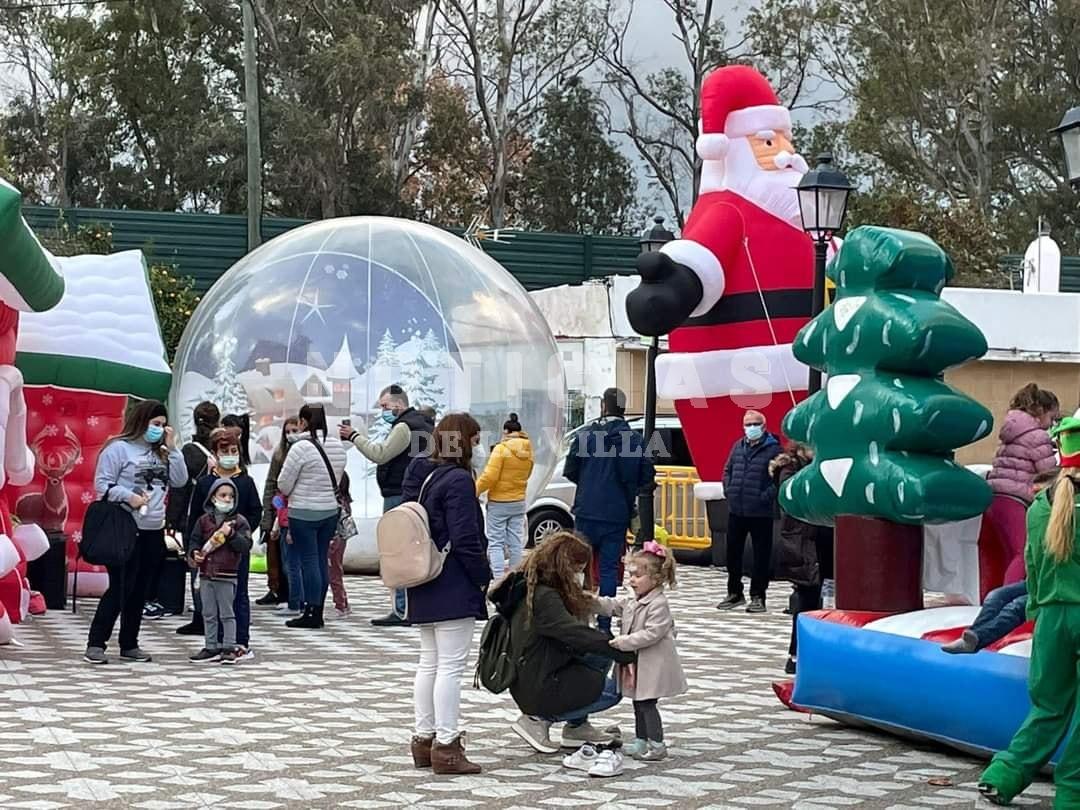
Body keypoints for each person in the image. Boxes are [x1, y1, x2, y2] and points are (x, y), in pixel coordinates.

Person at [978, 417, 1080, 808]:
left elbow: (1033, 565)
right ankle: (1071, 794)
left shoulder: (1041, 505)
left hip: (1053, 618)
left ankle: (1004, 774)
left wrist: (1038, 607)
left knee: (1048, 706)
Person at [489, 532, 636, 756]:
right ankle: (538, 719)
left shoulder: (535, 584)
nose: (579, 576)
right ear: (564, 566)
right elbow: (573, 633)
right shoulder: (545, 597)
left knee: (600, 654)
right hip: (538, 681)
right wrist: (619, 649)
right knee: (612, 692)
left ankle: (577, 727)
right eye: (578, 570)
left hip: (540, 669)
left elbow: (586, 605)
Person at [400, 413, 491, 776]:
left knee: (429, 663)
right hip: (452, 581)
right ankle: (448, 745)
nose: (477, 446)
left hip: (426, 578)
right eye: (475, 438)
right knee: (450, 667)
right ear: (463, 440)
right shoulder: (458, 481)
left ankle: (423, 740)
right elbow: (466, 538)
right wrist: (483, 578)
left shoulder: (429, 476)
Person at [84, 400, 188, 664]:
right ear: (142, 422)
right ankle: (96, 642)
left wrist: (173, 448)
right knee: (121, 586)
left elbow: (180, 480)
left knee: (141, 589)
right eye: (155, 424)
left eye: (163, 425)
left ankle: (129, 642)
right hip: (125, 528)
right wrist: (129, 497)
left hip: (153, 528)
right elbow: (103, 485)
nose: (159, 429)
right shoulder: (119, 449)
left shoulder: (163, 453)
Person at [340, 384, 434, 627]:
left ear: (399, 404)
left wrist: (353, 436)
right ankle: (416, 605)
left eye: (385, 406)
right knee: (416, 549)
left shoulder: (404, 427)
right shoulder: (425, 425)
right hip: (418, 494)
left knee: (398, 551)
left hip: (398, 495)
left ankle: (402, 608)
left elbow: (380, 454)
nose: (383, 411)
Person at [587, 542, 686, 765]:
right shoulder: (635, 599)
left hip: (653, 665)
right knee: (638, 702)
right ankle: (641, 740)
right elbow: (612, 605)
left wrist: (624, 642)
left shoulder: (658, 603)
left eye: (637, 576)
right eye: (631, 575)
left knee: (646, 704)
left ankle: (657, 743)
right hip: (638, 664)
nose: (632, 580)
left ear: (656, 578)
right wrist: (590, 602)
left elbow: (652, 633)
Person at [564, 387, 654, 631]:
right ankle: (604, 623)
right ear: (624, 409)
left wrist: (588, 484)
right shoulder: (631, 439)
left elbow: (570, 469)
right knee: (608, 570)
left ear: (603, 405)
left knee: (577, 566)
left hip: (585, 511)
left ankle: (578, 617)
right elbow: (647, 474)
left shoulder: (587, 436)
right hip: (615, 515)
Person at [943, 468, 1060, 655]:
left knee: (1016, 606)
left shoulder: (1062, 519)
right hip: (1041, 580)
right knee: (996, 596)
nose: (1035, 501)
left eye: (1039, 495)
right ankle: (973, 635)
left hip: (1058, 585)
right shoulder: (1041, 518)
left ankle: (979, 638)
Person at [186, 427, 261, 659]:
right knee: (208, 600)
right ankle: (213, 642)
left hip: (235, 552)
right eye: (224, 451)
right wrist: (192, 549)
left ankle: (238, 641)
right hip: (208, 555)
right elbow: (194, 519)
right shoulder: (205, 483)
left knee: (237, 596)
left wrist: (240, 533)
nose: (230, 454)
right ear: (215, 453)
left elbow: (255, 511)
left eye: (234, 450)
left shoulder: (246, 482)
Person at [279, 403, 347, 630]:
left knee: (308, 561)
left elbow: (283, 483)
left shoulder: (300, 447)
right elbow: (338, 477)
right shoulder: (337, 446)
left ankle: (312, 611)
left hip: (304, 512)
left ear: (304, 422)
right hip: (329, 511)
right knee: (320, 560)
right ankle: (318, 609)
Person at [985, 383, 1060, 585]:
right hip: (1015, 501)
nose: (1052, 424)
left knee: (1004, 554)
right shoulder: (1037, 436)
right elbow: (1049, 473)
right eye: (1052, 418)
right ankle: (1009, 602)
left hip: (994, 499)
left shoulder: (1011, 432)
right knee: (1024, 553)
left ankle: (990, 600)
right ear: (1041, 411)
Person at [770, 443, 833, 674]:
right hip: (804, 546)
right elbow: (791, 496)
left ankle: (818, 652)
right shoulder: (790, 468)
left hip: (826, 543)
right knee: (805, 601)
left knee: (826, 602)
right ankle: (796, 655)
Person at [717, 409, 782, 614]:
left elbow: (778, 480)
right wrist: (729, 489)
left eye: (755, 424)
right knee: (732, 553)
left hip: (760, 511)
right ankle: (734, 592)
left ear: (763, 426)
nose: (751, 428)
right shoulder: (738, 446)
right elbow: (727, 470)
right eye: (747, 424)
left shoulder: (774, 449)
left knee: (761, 555)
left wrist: (764, 497)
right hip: (737, 508)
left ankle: (758, 596)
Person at [163, 401, 220, 627]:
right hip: (219, 515)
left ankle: (200, 614)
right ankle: (216, 611)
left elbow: (181, 487)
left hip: (194, 516)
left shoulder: (189, 451)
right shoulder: (221, 447)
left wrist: (172, 519)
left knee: (196, 564)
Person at [186, 478, 253, 664]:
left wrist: (230, 534)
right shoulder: (203, 521)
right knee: (208, 612)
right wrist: (195, 553)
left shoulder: (239, 522)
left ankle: (229, 646)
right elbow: (194, 540)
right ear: (213, 497)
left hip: (227, 574)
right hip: (207, 573)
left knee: (227, 612)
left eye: (231, 496)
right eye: (222, 495)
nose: (227, 499)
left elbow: (245, 545)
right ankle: (211, 645)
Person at [476, 412, 534, 581]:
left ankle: (499, 579)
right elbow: (528, 472)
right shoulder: (529, 448)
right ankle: (514, 577)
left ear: (506, 431)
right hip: (518, 501)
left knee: (496, 543)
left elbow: (489, 476)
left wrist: (475, 490)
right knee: (516, 543)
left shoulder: (501, 449)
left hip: (499, 502)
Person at [257, 417, 299, 609]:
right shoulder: (279, 454)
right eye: (288, 431)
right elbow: (272, 485)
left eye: (295, 430)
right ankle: (276, 589)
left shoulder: (306, 453)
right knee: (276, 554)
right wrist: (271, 509)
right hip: (279, 509)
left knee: (293, 557)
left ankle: (295, 594)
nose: (291, 435)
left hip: (298, 509)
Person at [327, 470, 352, 618]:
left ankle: (340, 605)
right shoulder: (345, 502)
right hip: (340, 539)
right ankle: (344, 603)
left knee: (333, 572)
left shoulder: (336, 504)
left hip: (334, 539)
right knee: (336, 571)